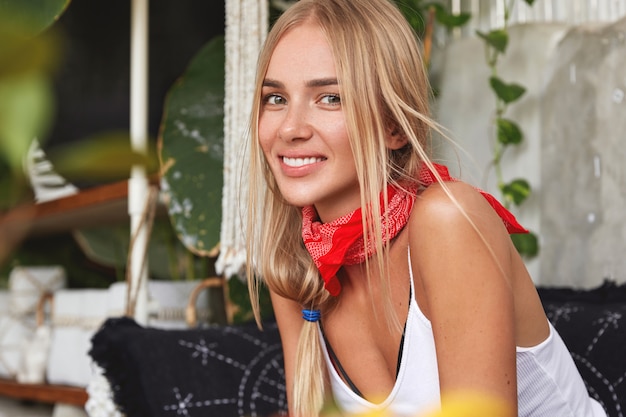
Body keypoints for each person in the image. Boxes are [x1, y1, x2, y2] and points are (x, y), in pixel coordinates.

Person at [245, 1, 607, 416]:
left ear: (394, 127)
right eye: (275, 98)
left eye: (330, 98)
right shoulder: (296, 263)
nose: (290, 128)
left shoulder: (448, 221)